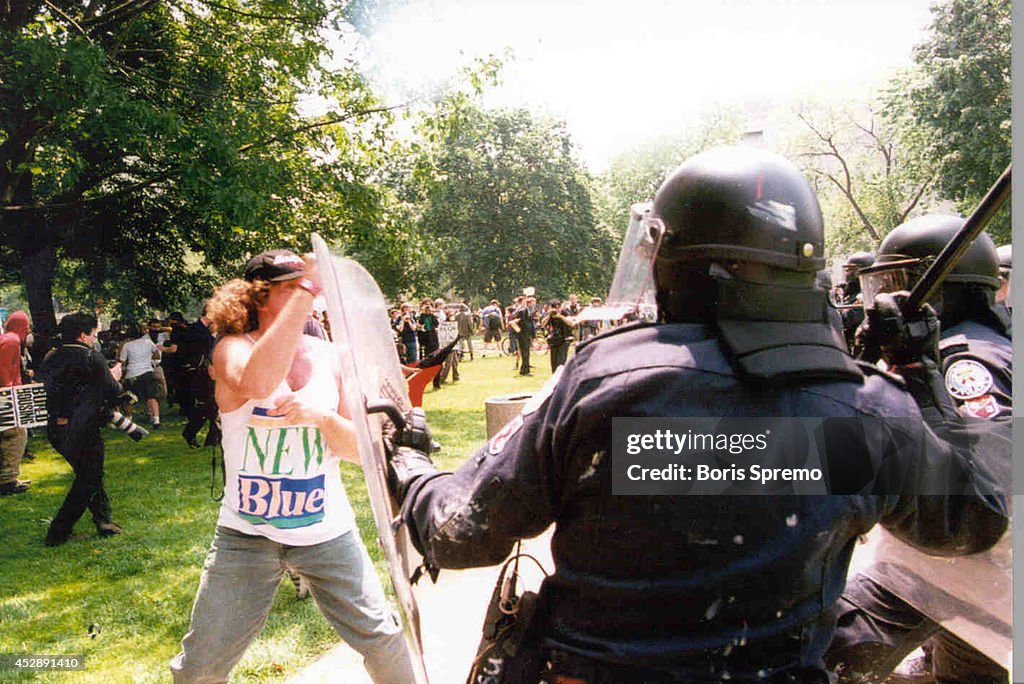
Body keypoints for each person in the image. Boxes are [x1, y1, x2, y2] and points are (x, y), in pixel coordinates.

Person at [384, 147, 1007, 683]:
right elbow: (972, 524)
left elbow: (460, 535)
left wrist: (412, 470)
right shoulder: (868, 412)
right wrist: (919, 380)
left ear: (678, 260)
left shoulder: (604, 382)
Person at [170, 249, 414, 684]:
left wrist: (320, 417)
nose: (310, 297)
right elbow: (257, 383)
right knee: (200, 666)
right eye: (290, 288)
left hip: (327, 532)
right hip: (246, 536)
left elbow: (360, 451)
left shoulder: (329, 355)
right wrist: (309, 287)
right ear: (258, 297)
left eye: (308, 287)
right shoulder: (230, 349)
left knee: (384, 641)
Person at [826, 214, 1012, 684]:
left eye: (894, 282)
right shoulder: (984, 344)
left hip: (956, 565)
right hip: (964, 566)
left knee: (824, 651)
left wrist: (918, 373)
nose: (880, 298)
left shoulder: (960, 358)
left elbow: (996, 480)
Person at [38, 312, 127, 546]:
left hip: (56, 427)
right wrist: (114, 375)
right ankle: (58, 533)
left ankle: (103, 519)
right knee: (88, 478)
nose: (94, 338)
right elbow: (114, 391)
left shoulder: (51, 357)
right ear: (83, 334)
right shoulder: (90, 356)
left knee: (89, 474)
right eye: (93, 334)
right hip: (83, 428)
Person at [0, 310, 31, 495]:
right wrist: (9, 393)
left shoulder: (6, 338)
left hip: (5, 392)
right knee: (16, 434)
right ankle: (7, 479)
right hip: (5, 395)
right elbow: (3, 370)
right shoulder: (12, 341)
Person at [119, 322, 162, 428]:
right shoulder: (148, 342)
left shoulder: (127, 345)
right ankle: (156, 420)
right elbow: (156, 355)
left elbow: (121, 361)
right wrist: (147, 358)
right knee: (152, 397)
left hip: (132, 374)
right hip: (147, 372)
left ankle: (128, 419)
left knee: (131, 398)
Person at [541, 298, 573, 372]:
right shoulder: (551, 315)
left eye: (558, 307)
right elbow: (542, 324)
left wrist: (560, 317)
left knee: (561, 362)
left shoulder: (565, 313)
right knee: (554, 363)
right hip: (554, 340)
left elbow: (571, 323)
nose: (556, 309)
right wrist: (549, 315)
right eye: (554, 307)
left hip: (564, 339)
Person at [508, 294, 535, 375]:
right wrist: (518, 330)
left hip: (526, 334)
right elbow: (513, 321)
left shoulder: (526, 310)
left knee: (526, 352)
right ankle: (524, 370)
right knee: (524, 352)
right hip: (523, 334)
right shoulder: (522, 311)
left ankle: (525, 369)